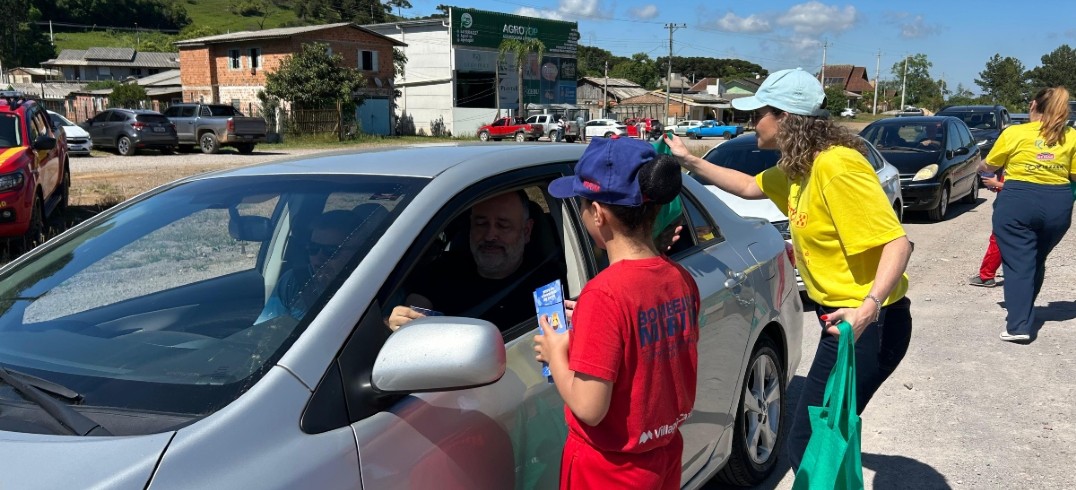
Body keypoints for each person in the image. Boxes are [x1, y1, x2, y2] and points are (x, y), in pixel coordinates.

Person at [664, 67, 914, 471]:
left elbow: (897, 243)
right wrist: (690, 161)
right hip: (843, 319)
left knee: (809, 447)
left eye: (756, 113)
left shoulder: (837, 167)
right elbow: (748, 187)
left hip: (866, 324)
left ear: (785, 117)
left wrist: (868, 308)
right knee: (821, 446)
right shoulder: (800, 168)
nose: (750, 124)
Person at [533, 137, 700, 490]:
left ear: (598, 214)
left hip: (609, 471)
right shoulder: (679, 278)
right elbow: (645, 334)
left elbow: (589, 407)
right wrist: (597, 322)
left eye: (581, 204)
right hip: (664, 455)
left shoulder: (605, 295)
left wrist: (555, 353)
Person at [978, 87, 1076, 343]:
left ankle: (1018, 325)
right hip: (1058, 202)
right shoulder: (1072, 135)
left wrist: (981, 167)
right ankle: (1025, 311)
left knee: (1018, 262)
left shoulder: (1014, 133)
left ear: (1033, 105)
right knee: (1035, 259)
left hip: (1018, 200)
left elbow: (991, 164)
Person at [387, 190, 561, 331]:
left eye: (503, 225)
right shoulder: (442, 270)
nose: (490, 235)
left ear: (526, 231)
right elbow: (413, 311)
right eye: (481, 223)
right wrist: (397, 323)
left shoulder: (548, 284)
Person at [256, 210, 368, 323]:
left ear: (358, 252)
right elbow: (266, 329)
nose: (319, 257)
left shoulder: (374, 284)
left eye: (331, 251)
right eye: (313, 248)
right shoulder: (294, 281)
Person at [969, 170, 1005, 288]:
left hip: (1011, 203)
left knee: (999, 239)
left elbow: (1023, 187)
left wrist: (997, 183)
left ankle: (986, 276)